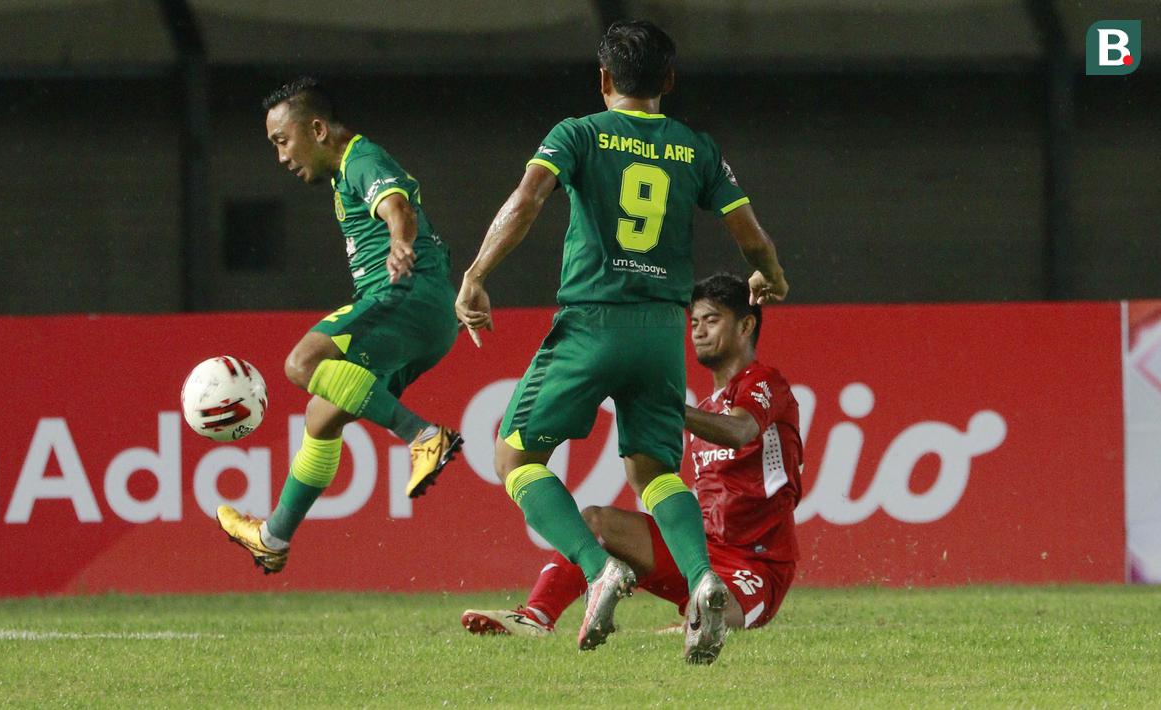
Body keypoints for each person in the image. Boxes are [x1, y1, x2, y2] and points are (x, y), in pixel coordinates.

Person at [454, 21, 788, 664]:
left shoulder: (576, 133)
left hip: (593, 321)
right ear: (668, 81)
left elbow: (526, 201)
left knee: (513, 457)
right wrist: (769, 278)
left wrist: (475, 276)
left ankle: (596, 567)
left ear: (604, 80)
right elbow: (751, 236)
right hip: (663, 330)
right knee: (652, 468)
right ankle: (704, 580)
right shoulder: (696, 148)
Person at [461, 273, 802, 639]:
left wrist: (669, 407)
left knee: (714, 615)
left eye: (712, 320)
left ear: (746, 325)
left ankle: (696, 617)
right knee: (596, 522)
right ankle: (536, 616)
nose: (699, 331)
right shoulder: (707, 406)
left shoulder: (764, 381)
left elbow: (738, 432)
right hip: (703, 551)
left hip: (757, 563)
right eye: (695, 322)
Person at [217, 77, 463, 574]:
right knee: (321, 418)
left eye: (282, 141)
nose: (281, 157)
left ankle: (421, 436)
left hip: (405, 295)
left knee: (303, 362)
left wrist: (401, 242)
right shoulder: (341, 174)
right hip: (427, 314)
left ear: (317, 128)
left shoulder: (360, 158)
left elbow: (397, 204)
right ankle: (273, 537)